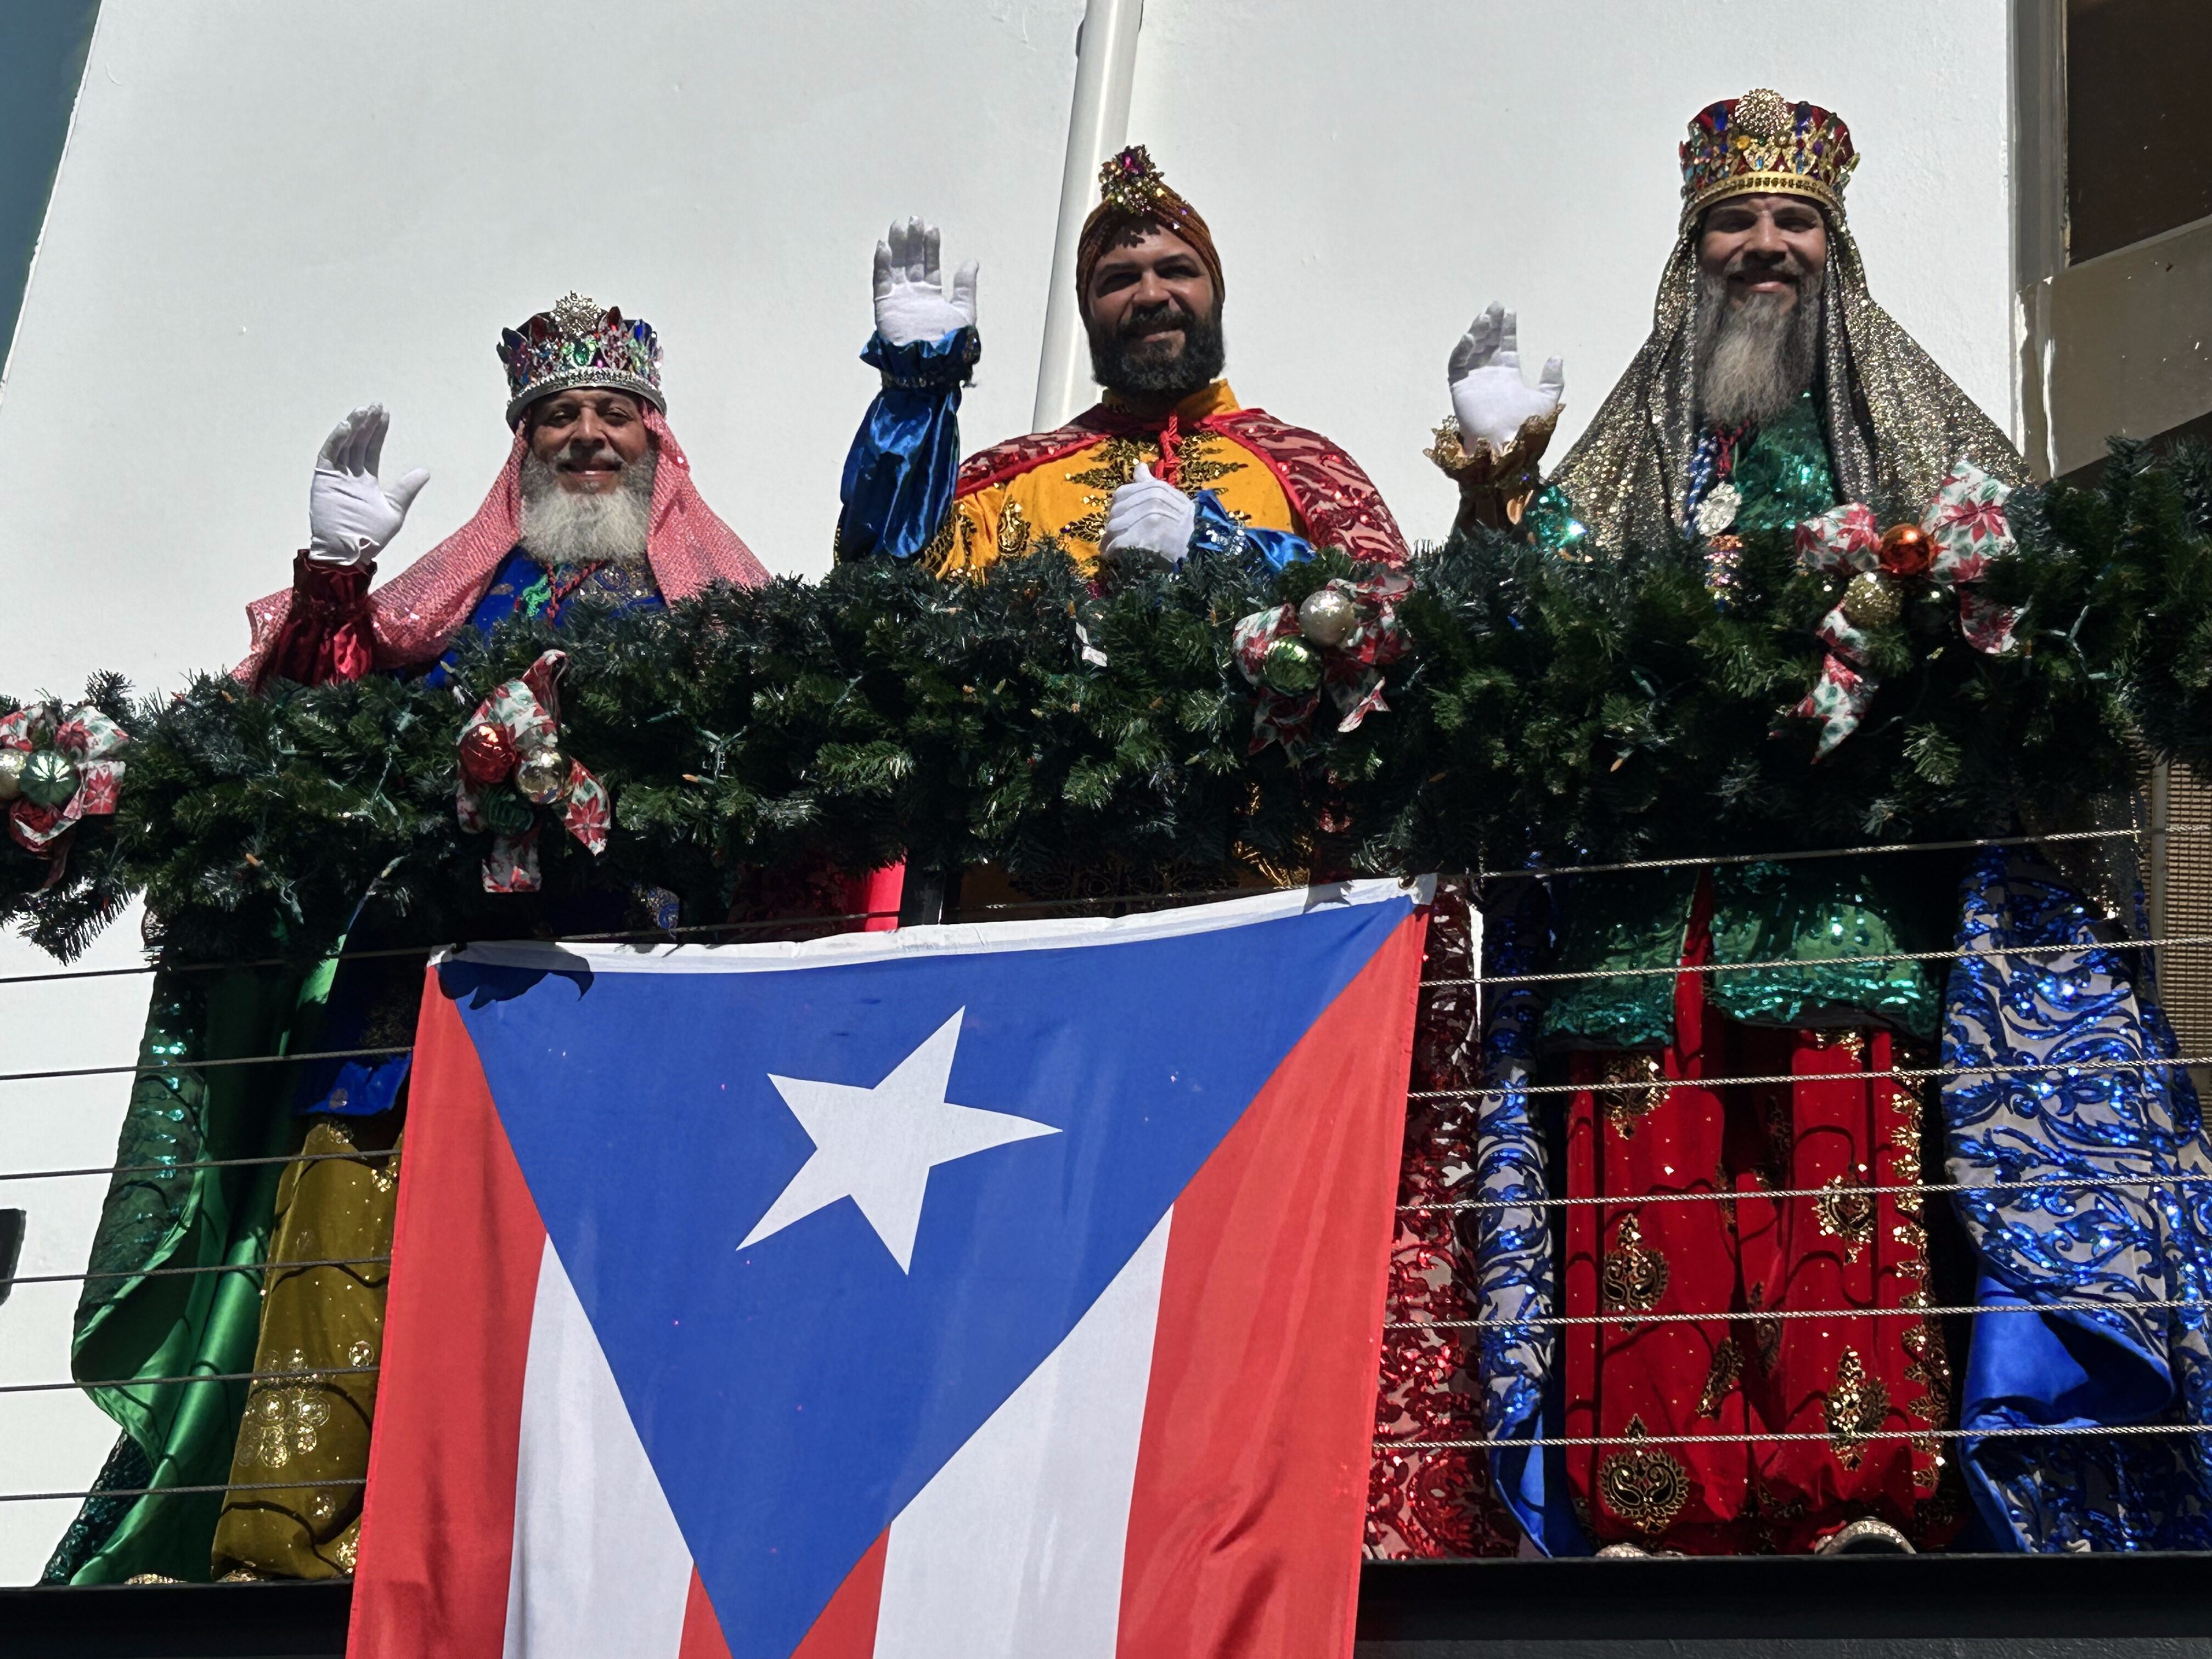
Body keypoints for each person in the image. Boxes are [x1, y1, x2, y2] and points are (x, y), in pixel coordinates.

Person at [47, 297, 768, 1587]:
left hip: (623, 1007)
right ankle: (287, 1549)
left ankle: (553, 1558)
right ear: (520, 452)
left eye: (612, 414)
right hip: (404, 1001)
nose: (587, 437)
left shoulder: (715, 613)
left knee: (569, 1289)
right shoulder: (450, 607)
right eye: (557, 417)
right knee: (342, 1243)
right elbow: (311, 736)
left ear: (657, 444)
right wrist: (337, 580)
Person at [1435, 90, 2031, 1558]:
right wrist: (1495, 495)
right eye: (1734, 220)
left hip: (1832, 883)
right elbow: (1512, 633)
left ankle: (1854, 1499)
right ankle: (1649, 1509)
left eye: (1794, 220)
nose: (1764, 245)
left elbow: (2013, 573)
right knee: (1649, 1187)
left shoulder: (1907, 424)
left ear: (1836, 244)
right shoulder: (1630, 439)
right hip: (1646, 909)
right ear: (1690, 247)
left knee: (1827, 1176)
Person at [835, 145, 1407, 578]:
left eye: (1177, 271)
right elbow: (885, 592)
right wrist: (915, 396)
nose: (1152, 295)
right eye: (1120, 280)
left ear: (1218, 296)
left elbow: (1392, 621)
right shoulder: (1014, 483)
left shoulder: (1310, 471)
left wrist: (1216, 544)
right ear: (1089, 314)